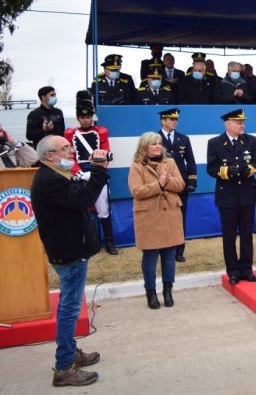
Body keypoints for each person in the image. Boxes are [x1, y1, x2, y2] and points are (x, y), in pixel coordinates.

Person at [31, 135, 109, 387]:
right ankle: (64, 366)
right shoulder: (50, 179)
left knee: (70, 306)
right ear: (49, 155)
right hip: (68, 252)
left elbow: (77, 195)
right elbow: (83, 199)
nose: (71, 150)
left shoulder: (55, 175)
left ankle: (70, 351)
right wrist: (98, 170)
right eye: (65, 148)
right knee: (69, 309)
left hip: (70, 249)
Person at [128, 132, 185, 309]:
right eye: (154, 144)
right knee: (150, 257)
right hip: (149, 219)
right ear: (144, 147)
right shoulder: (137, 166)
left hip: (170, 217)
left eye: (159, 143)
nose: (158, 146)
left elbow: (180, 185)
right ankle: (151, 293)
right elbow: (136, 191)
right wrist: (159, 184)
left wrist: (165, 181)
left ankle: (168, 291)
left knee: (169, 257)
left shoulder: (170, 162)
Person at [206, 109, 256, 285]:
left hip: (247, 194)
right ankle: (233, 271)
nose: (242, 125)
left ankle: (246, 269)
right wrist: (227, 171)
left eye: (243, 122)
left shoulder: (250, 140)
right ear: (228, 124)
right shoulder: (215, 142)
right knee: (229, 236)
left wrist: (250, 169)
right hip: (227, 196)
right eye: (239, 122)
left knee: (247, 234)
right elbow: (211, 168)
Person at [64, 91, 117, 255]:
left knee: (104, 208)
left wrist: (96, 172)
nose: (86, 119)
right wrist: (79, 173)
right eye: (82, 117)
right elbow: (68, 156)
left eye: (88, 117)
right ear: (78, 118)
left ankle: (109, 242)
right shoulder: (70, 134)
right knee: (82, 209)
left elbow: (105, 153)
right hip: (79, 173)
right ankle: (87, 243)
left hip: (97, 173)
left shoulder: (101, 132)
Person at [158, 108, 197, 262]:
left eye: (176, 119)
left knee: (180, 218)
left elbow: (191, 161)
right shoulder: (156, 138)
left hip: (181, 185)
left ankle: (179, 251)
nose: (175, 121)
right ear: (163, 120)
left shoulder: (183, 139)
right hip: (163, 185)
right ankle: (163, 249)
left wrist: (192, 180)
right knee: (163, 217)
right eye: (171, 119)